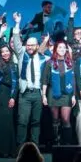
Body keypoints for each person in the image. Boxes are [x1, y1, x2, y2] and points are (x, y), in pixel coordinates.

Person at [11, 12, 50, 146]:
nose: (30, 47)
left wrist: (46, 41)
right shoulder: (22, 53)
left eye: (32, 45)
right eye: (28, 45)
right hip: (25, 94)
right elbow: (16, 40)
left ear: (37, 46)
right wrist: (17, 23)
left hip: (37, 94)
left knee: (36, 122)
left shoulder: (42, 57)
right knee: (22, 122)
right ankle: (20, 149)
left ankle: (35, 148)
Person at [42, 41, 76, 145]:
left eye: (64, 47)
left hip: (67, 93)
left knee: (66, 119)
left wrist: (74, 96)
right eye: (59, 47)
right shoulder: (50, 62)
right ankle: (56, 142)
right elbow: (45, 80)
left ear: (66, 49)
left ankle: (67, 144)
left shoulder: (70, 62)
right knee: (55, 119)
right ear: (55, 49)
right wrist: (44, 96)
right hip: (53, 93)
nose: (62, 49)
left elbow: (73, 80)